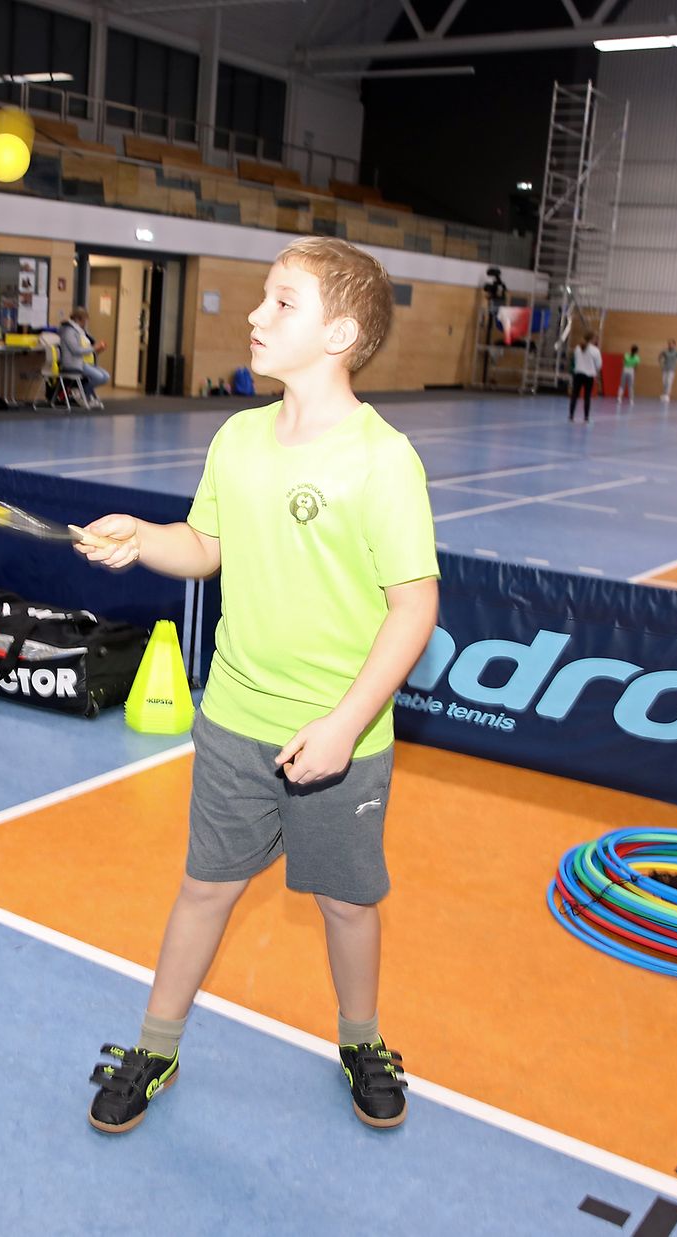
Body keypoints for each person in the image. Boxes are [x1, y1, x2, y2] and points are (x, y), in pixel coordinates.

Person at [75, 237, 439, 1136]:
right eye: (263, 298)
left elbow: (414, 608)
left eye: (283, 302)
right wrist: (141, 537)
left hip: (342, 739)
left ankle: (362, 1038)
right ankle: (155, 1046)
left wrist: (344, 725)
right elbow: (205, 546)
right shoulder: (237, 438)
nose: (254, 314)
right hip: (235, 720)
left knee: (346, 903)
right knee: (204, 887)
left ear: (340, 334)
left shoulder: (383, 459)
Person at [58, 307, 109, 407]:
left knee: (106, 377)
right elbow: (76, 350)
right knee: (99, 377)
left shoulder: (81, 332)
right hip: (73, 364)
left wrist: (97, 350)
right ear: (78, 319)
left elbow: (87, 347)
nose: (85, 323)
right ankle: (84, 393)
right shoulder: (69, 332)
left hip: (84, 362)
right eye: (85, 320)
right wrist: (94, 348)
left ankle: (84, 392)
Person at [568, 332, 601, 422]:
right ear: (592, 339)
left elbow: (575, 360)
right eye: (595, 338)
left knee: (574, 395)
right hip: (589, 376)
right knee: (587, 396)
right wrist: (593, 369)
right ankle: (586, 417)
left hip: (578, 374)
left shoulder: (578, 348)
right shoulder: (595, 350)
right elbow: (599, 365)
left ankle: (571, 416)